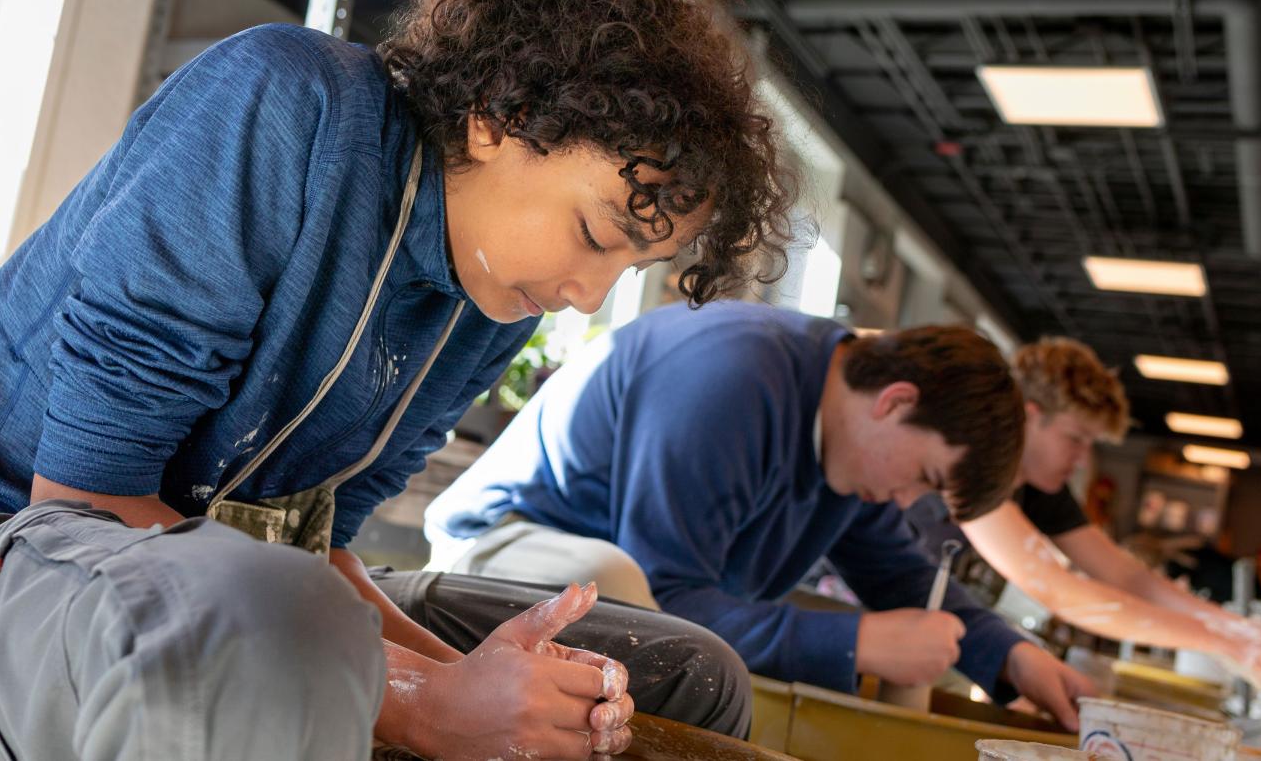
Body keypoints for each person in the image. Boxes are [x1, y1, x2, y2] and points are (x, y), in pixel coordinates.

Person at [0, 0, 793, 759]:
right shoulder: (283, 102)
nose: (591, 295)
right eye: (594, 235)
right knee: (274, 620)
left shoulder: (493, 301)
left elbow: (318, 545)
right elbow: (85, 501)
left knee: (684, 674)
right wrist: (428, 711)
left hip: (224, 593)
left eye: (637, 265)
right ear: (497, 119)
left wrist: (485, 688)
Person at [425, 302, 1097, 730]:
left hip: (632, 600)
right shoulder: (729, 376)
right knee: (617, 581)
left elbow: (906, 580)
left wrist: (1015, 658)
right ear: (895, 401)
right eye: (922, 479)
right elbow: (669, 599)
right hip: (494, 555)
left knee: (920, 638)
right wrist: (857, 644)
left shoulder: (853, 455)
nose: (902, 503)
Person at [906, 337, 1261, 692]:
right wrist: (1222, 642)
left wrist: (1242, 629)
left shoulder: (1043, 489)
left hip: (942, 640)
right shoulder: (977, 465)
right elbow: (1059, 591)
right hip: (883, 625)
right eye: (1074, 439)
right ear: (1028, 416)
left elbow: (1127, 575)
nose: (1081, 461)